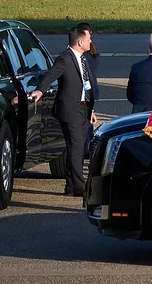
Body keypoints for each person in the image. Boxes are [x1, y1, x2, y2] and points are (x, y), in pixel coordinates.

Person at [29, 26, 98, 196]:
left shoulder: (82, 58)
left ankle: (70, 186)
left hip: (83, 109)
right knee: (76, 148)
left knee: (78, 147)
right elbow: (50, 75)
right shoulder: (64, 59)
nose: (91, 42)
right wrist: (39, 90)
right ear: (80, 41)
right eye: (89, 38)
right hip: (70, 110)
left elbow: (85, 85)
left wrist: (91, 109)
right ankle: (80, 186)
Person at [73, 21, 100, 159]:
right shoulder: (93, 53)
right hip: (91, 90)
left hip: (86, 92)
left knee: (85, 121)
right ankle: (87, 147)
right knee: (89, 120)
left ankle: (85, 148)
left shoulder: (84, 56)